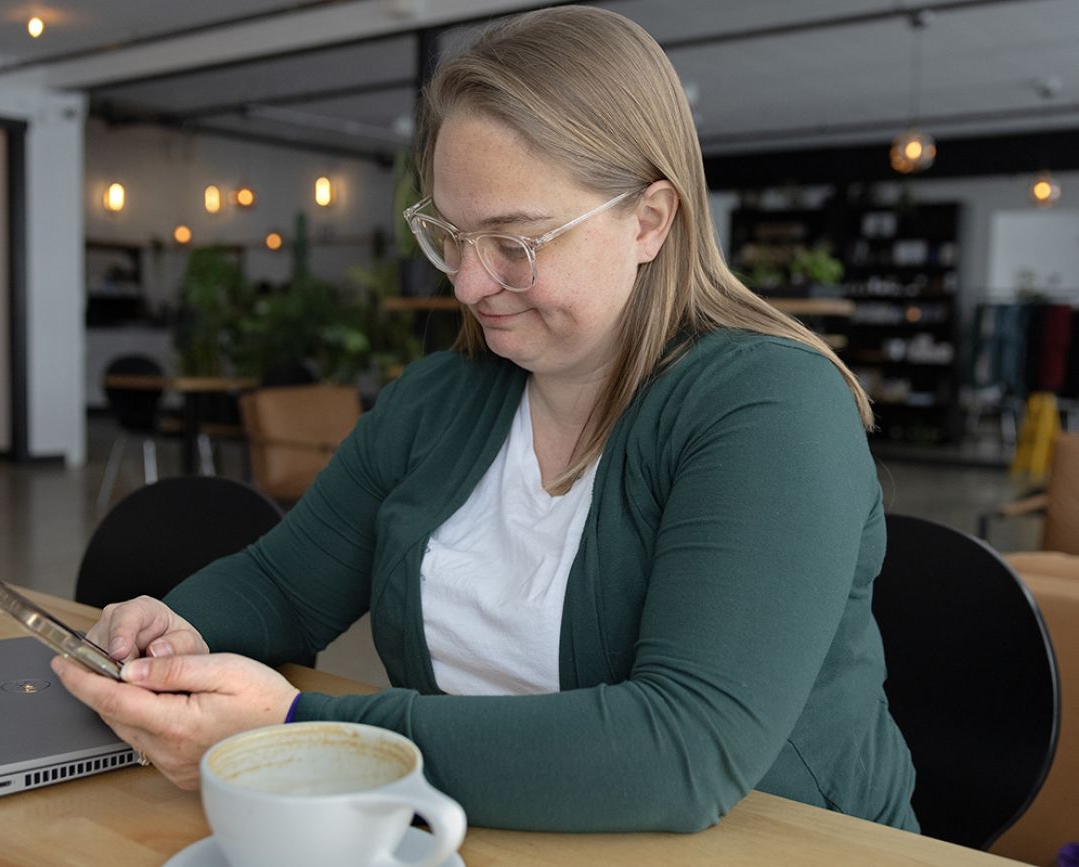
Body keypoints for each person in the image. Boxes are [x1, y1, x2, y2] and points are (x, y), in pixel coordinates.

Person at [53, 6, 919, 833]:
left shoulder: (768, 410)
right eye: (451, 236)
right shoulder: (440, 397)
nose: (466, 284)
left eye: (516, 243)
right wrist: (180, 631)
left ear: (650, 221)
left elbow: (684, 749)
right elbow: (283, 584)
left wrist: (300, 726)